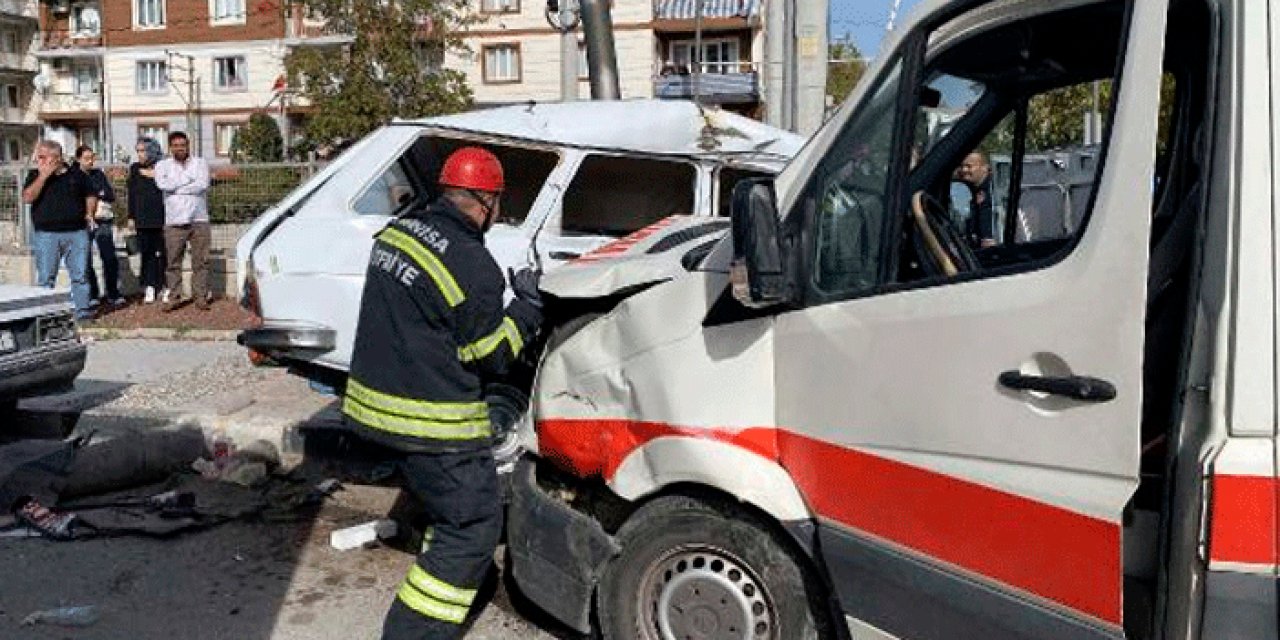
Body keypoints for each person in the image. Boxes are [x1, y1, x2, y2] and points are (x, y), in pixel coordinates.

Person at [342, 147, 543, 640]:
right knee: (473, 525)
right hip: (432, 424)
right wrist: (527, 309)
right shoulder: (475, 266)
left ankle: (459, 577)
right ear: (484, 201)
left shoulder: (397, 235)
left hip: (372, 407)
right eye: (497, 202)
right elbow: (492, 355)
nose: (497, 212)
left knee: (446, 510)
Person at [22, 140, 97, 321]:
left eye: (42, 157)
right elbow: (27, 198)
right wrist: (43, 176)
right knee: (46, 277)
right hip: (46, 234)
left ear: (56, 158)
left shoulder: (77, 175)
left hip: (76, 232)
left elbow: (90, 195)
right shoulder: (35, 175)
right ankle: (45, 315)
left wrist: (89, 213)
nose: (38, 160)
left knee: (80, 275)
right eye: (38, 156)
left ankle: (82, 313)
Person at [154, 131, 211, 312]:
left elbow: (203, 184)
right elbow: (163, 185)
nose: (180, 148)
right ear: (170, 147)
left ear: (188, 145)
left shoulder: (200, 163)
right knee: (173, 262)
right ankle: (174, 296)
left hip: (199, 218)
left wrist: (176, 187)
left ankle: (200, 296)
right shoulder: (162, 165)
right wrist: (188, 180)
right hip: (174, 221)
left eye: (183, 145)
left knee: (201, 262)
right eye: (176, 145)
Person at [75, 146, 123, 307]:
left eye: (92, 158)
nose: (90, 161)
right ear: (78, 159)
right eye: (87, 158)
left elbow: (109, 194)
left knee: (109, 257)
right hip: (81, 222)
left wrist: (95, 193)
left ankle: (113, 293)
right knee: (85, 260)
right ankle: (92, 293)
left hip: (102, 220)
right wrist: (96, 193)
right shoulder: (74, 176)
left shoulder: (98, 174)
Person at [127, 137, 168, 304]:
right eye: (138, 151)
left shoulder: (163, 166)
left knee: (162, 254)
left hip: (162, 218)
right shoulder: (135, 168)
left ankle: (165, 286)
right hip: (142, 219)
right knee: (147, 254)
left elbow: (169, 187)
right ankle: (149, 286)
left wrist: (155, 175)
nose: (140, 154)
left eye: (143, 150)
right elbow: (132, 194)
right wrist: (131, 216)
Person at [957, 151, 997, 248]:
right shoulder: (970, 188)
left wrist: (987, 239)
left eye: (969, 166)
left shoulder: (993, 190)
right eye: (962, 166)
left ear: (984, 168)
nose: (964, 170)